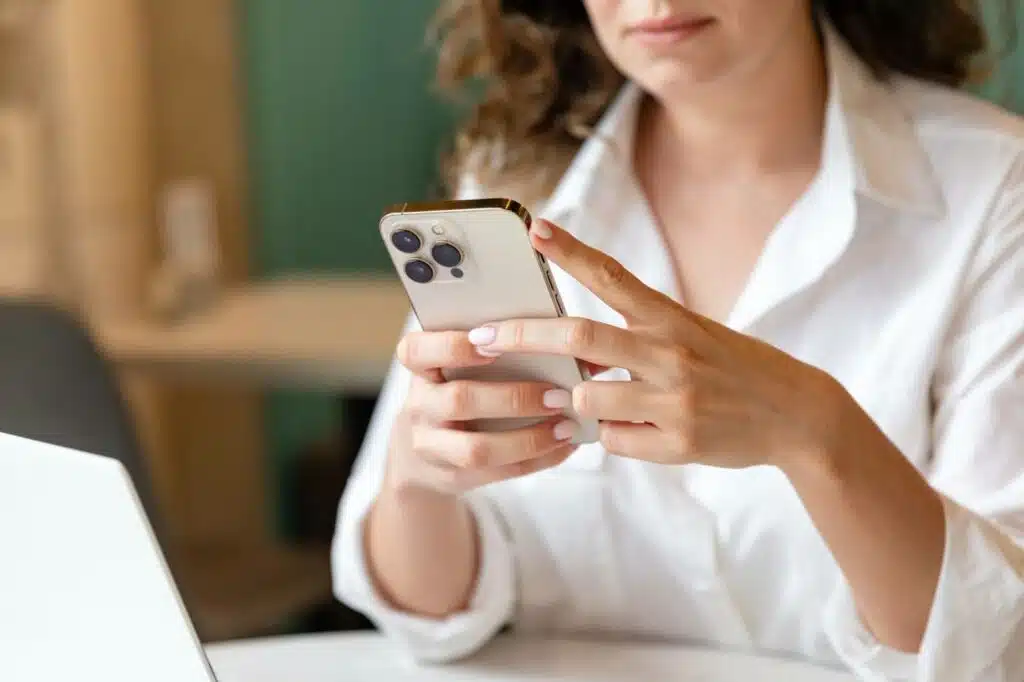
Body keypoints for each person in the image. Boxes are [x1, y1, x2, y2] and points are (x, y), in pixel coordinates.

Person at [334, 1, 1024, 679]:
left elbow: (996, 641)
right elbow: (424, 616)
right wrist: (418, 483)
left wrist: (815, 431)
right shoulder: (512, 187)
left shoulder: (992, 186)